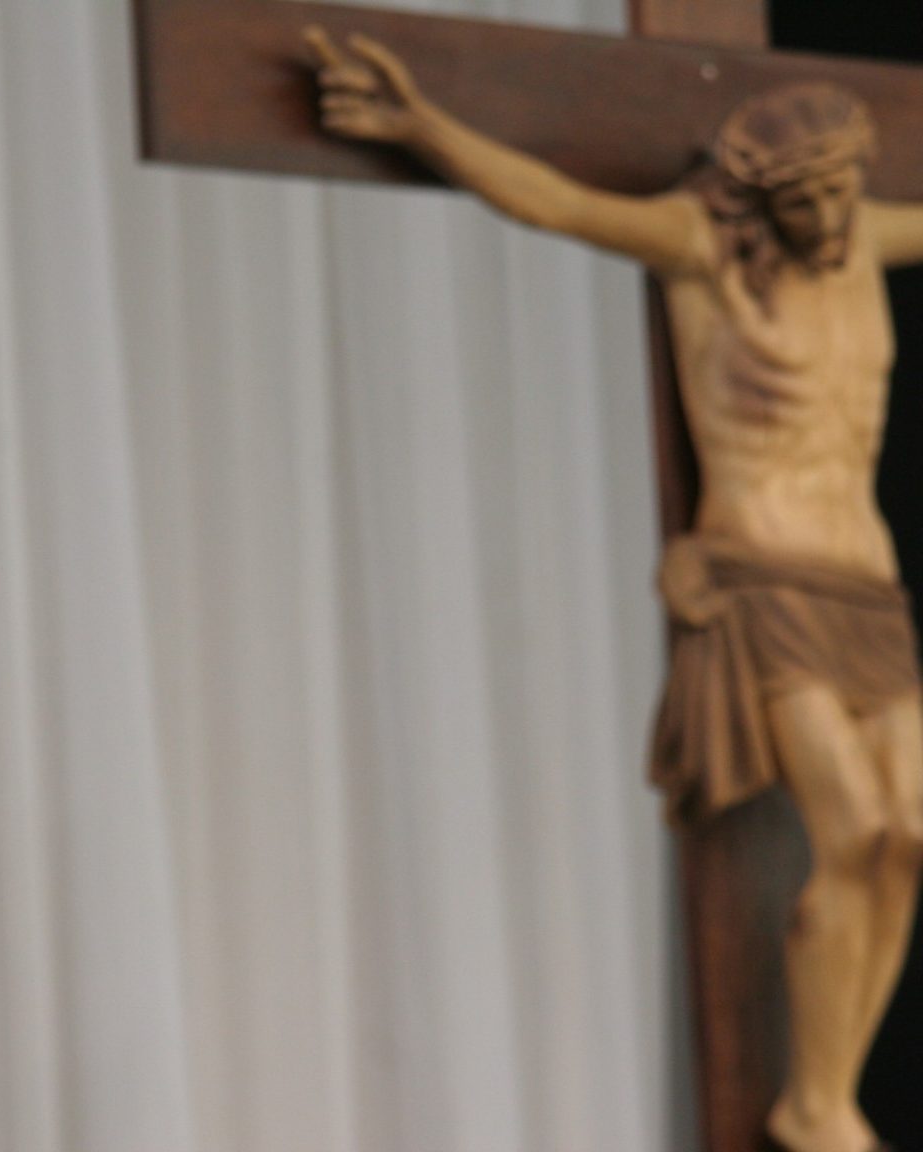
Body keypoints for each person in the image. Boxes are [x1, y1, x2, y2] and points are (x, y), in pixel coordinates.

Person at [306, 27, 923, 1152]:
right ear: (762, 196)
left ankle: (833, 1089)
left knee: (909, 839)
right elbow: (554, 202)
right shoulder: (699, 248)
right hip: (764, 580)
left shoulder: (866, 241)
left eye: (843, 192)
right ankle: (817, 1106)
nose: (832, 217)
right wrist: (424, 126)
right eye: (806, 200)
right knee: (857, 829)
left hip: (868, 588)